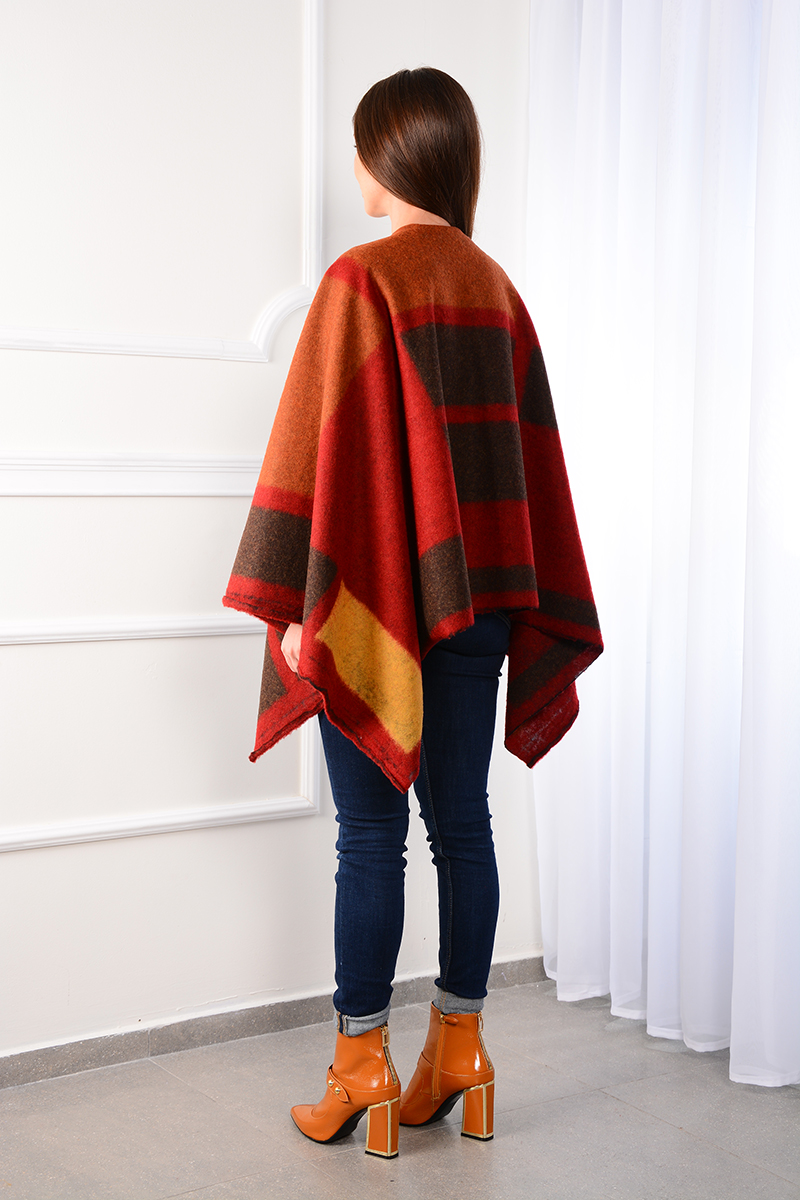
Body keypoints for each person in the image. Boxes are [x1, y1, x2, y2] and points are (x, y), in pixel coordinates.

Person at [223, 67, 602, 1159]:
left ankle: (362, 1071)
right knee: (464, 827)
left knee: (370, 839)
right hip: (479, 607)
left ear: (385, 157)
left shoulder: (360, 279)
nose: (356, 167)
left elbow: (316, 451)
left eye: (361, 149)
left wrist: (303, 603)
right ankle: (460, 1051)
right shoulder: (496, 290)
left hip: (373, 607)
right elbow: (523, 471)